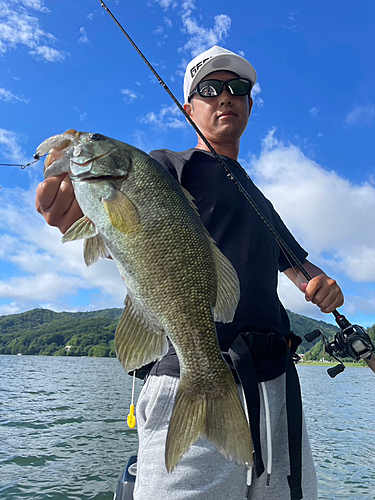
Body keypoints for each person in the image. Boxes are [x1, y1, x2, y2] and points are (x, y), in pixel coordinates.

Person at [35, 46, 343, 500]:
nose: (225, 97)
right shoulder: (162, 168)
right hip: (185, 372)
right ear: (189, 108)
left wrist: (322, 285)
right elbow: (122, 229)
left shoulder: (261, 200)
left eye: (237, 89)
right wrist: (74, 205)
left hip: (277, 388)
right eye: (210, 89)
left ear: (249, 105)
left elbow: (297, 266)